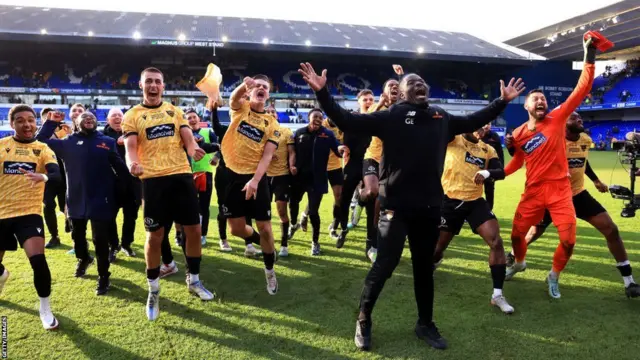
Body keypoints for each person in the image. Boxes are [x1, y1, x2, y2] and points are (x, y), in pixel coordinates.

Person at [299, 62, 524, 351]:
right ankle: (364, 318)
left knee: (423, 268)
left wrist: (502, 100)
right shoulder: (390, 116)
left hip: (430, 207)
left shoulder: (440, 116)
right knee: (385, 264)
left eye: (422, 82)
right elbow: (346, 120)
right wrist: (322, 93)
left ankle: (425, 324)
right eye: (411, 82)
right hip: (396, 207)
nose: (419, 84)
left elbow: (471, 121)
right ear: (402, 93)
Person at [505, 112, 640, 298]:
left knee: (611, 229)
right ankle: (515, 256)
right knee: (535, 232)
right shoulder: (553, 139)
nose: (580, 120)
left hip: (577, 194)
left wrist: (595, 180)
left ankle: (629, 281)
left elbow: (584, 160)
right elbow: (525, 155)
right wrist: (512, 146)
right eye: (574, 118)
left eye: (580, 118)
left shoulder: (585, 138)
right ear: (564, 123)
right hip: (553, 194)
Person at [504, 38, 598, 299]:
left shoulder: (557, 118)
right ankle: (520, 262)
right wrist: (496, 173)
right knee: (516, 235)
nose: (540, 101)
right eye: (535, 99)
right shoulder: (519, 134)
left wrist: (589, 54)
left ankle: (553, 275)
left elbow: (582, 88)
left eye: (543, 98)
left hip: (560, 189)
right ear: (526, 106)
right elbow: (517, 161)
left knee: (568, 241)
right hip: (533, 191)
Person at [123, 67, 214, 321]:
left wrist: (194, 147)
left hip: (181, 176)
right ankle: (153, 289)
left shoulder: (175, 111)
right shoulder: (132, 115)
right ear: (141, 85)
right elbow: (131, 146)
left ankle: (194, 279)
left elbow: (187, 136)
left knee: (194, 229)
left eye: (158, 82)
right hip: (153, 180)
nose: (153, 86)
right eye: (148, 82)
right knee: (155, 235)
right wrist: (132, 162)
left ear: (163, 86)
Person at [37, 111, 130, 295]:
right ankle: (84, 258)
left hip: (101, 199)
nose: (89, 119)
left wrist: (131, 188)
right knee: (77, 238)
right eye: (84, 118)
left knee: (100, 240)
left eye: (92, 118)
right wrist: (51, 123)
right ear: (77, 123)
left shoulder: (107, 142)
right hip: (76, 199)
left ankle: (104, 276)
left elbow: (120, 167)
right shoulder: (67, 143)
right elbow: (40, 140)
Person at [432, 128, 513, 314]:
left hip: (475, 202)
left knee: (496, 241)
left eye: (486, 126)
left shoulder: (487, 149)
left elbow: (500, 171)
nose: (482, 128)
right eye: (480, 124)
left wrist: (487, 173)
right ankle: (433, 263)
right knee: (437, 249)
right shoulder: (453, 139)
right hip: (449, 201)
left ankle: (497, 295)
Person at [0, 104, 61, 330]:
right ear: (12, 123)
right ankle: (2, 275)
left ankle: (45, 308)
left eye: (30, 120)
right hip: (1, 213)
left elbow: (56, 175)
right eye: (20, 120)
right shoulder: (2, 146)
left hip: (29, 213)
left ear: (36, 122)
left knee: (38, 261)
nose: (27, 124)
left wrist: (42, 177)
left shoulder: (43, 148)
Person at [220, 74, 280, 295]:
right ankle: (260, 241)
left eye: (265, 86)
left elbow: (267, 156)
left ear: (268, 94)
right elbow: (233, 100)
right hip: (231, 175)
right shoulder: (241, 108)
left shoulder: (273, 124)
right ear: (251, 91)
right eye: (258, 86)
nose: (261, 88)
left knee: (265, 227)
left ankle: (270, 272)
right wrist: (242, 86)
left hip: (256, 178)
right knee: (235, 229)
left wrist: (255, 181)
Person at [313, 90, 372, 249]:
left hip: (371, 163)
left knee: (372, 202)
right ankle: (343, 229)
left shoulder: (377, 119)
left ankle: (370, 241)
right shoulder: (351, 118)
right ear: (358, 101)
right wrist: (339, 145)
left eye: (371, 99)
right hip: (352, 164)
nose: (368, 101)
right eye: (365, 99)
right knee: (343, 199)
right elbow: (334, 125)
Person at [289, 109, 348, 255]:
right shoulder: (299, 132)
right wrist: (292, 166)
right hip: (299, 178)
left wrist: (341, 148)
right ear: (308, 117)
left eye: (320, 117)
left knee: (314, 212)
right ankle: (293, 224)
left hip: (317, 180)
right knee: (293, 202)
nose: (318, 119)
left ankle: (315, 243)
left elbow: (336, 148)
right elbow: (292, 152)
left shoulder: (327, 134)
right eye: (315, 116)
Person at [102, 108, 141, 258]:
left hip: (132, 182)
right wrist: (115, 142)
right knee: (110, 216)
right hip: (110, 184)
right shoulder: (102, 136)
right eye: (114, 115)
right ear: (108, 120)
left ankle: (126, 244)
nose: (117, 118)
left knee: (131, 216)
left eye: (120, 115)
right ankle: (113, 245)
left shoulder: (132, 133)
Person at [43, 104, 83, 249]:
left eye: (80, 111)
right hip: (51, 175)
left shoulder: (76, 131)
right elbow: (39, 142)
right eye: (74, 110)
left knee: (67, 207)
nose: (77, 113)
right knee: (48, 205)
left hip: (68, 176)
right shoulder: (52, 133)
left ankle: (75, 237)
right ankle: (54, 236)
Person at [185, 109, 220, 246]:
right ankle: (186, 234)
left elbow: (220, 147)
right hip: (187, 173)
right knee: (188, 206)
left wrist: (216, 158)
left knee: (204, 206)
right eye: (189, 118)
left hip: (205, 173)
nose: (192, 120)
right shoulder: (184, 134)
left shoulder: (208, 132)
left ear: (198, 118)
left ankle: (203, 235)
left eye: (194, 117)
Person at [265, 117, 295, 257]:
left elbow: (292, 152)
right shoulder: (262, 131)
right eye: (268, 112)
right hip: (264, 176)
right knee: (263, 214)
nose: (271, 114)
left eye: (273, 112)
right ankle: (267, 244)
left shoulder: (286, 131)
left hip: (282, 176)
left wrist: (292, 166)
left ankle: (284, 244)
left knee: (282, 212)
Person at [480, 123, 504, 210]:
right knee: (472, 191)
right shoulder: (474, 135)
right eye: (485, 123)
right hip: (475, 168)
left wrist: (500, 169)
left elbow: (500, 154)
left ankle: (489, 212)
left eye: (489, 124)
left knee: (489, 191)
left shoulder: (494, 136)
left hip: (490, 170)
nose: (486, 126)